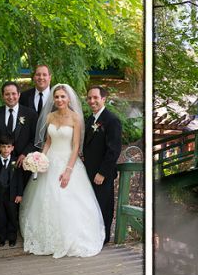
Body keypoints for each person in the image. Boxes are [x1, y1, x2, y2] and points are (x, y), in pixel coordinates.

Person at [20, 84, 105, 258]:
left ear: (68, 99)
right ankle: (47, 237)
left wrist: (68, 171)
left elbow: (75, 147)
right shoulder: (50, 116)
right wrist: (40, 159)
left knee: (67, 199)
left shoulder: (75, 118)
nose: (59, 100)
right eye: (56, 97)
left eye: (62, 97)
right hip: (50, 161)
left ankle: (70, 237)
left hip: (68, 162)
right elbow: (48, 142)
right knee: (45, 199)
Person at [83, 86, 122, 244]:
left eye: (95, 98)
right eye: (89, 98)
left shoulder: (112, 120)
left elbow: (114, 150)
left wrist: (103, 173)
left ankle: (104, 238)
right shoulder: (89, 119)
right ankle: (93, 235)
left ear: (103, 99)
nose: (92, 101)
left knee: (103, 205)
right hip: (88, 171)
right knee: (91, 205)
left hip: (101, 174)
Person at [0, 81, 38, 185]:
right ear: (3, 96)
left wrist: (25, 154)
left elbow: (34, 138)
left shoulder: (30, 114)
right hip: (1, 165)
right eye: (7, 94)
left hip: (23, 164)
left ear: (19, 94)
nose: (10, 97)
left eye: (13, 93)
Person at [0, 135, 23, 247]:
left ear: (12, 148)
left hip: (12, 194)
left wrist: (19, 194)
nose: (6, 149)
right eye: (3, 147)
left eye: (8, 147)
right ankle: (1, 237)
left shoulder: (16, 161)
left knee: (12, 216)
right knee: (1, 216)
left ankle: (12, 237)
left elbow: (20, 179)